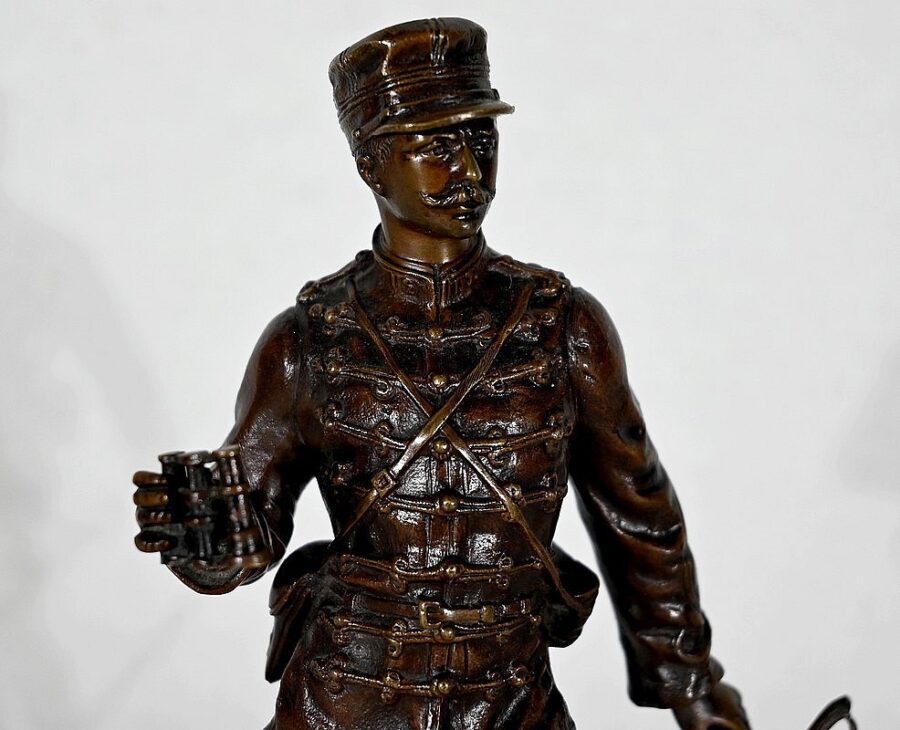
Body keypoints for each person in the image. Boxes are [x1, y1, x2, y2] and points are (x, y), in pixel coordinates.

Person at [134, 18, 751, 729]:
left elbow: (637, 515)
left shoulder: (564, 326)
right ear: (371, 165)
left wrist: (691, 686)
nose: (469, 171)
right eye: (434, 147)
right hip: (348, 697)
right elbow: (252, 519)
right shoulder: (305, 341)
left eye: (481, 139)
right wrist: (206, 539)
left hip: (511, 700)